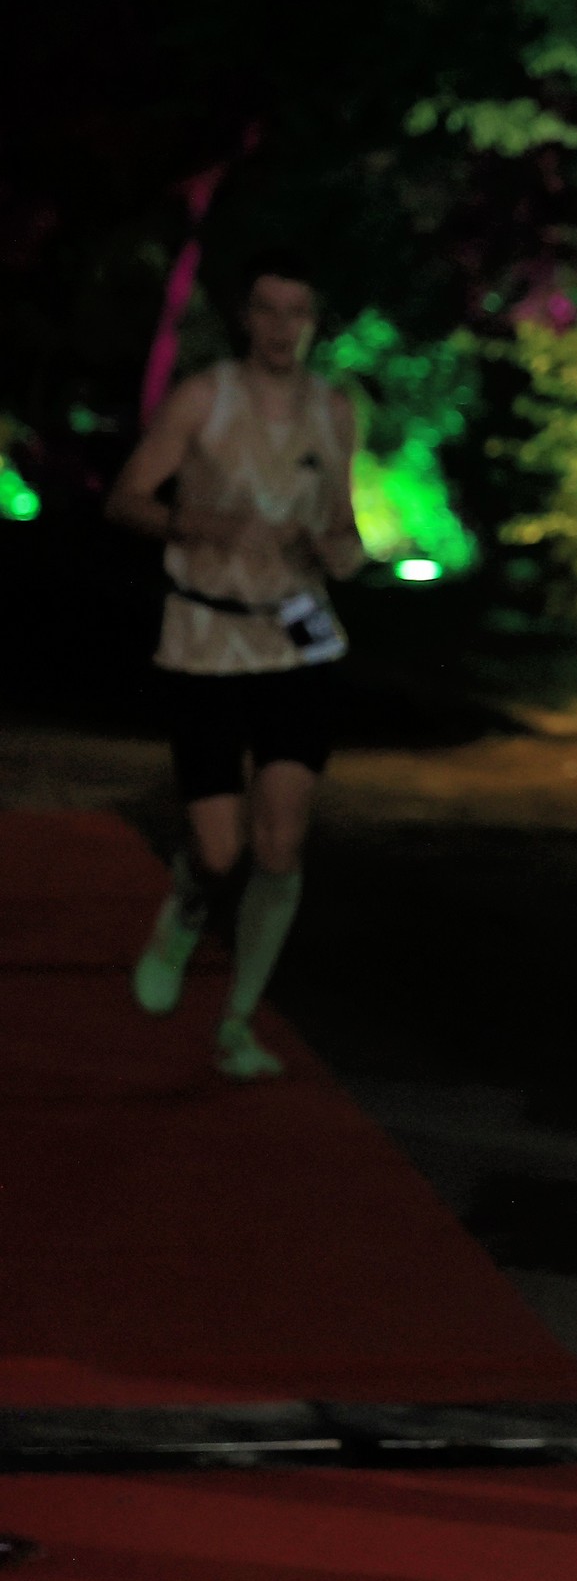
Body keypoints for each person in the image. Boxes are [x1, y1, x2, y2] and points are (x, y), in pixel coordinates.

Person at [107, 248, 361, 1081]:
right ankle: (186, 905)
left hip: (298, 643)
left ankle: (238, 1021)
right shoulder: (203, 397)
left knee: (282, 840)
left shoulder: (334, 410)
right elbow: (126, 498)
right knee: (221, 849)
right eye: (267, 309)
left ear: (314, 323)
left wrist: (340, 550)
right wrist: (206, 526)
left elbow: (345, 528)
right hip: (206, 642)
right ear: (246, 317)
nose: (282, 327)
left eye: (297, 312)